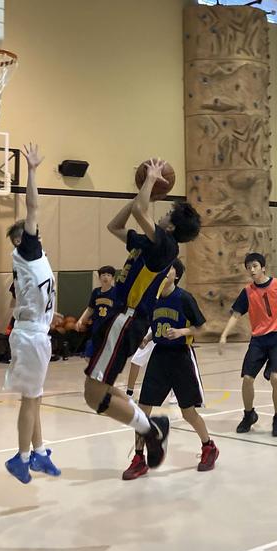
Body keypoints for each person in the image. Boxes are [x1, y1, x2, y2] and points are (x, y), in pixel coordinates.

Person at [82, 158, 201, 472]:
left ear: (172, 226)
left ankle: (152, 429)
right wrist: (142, 195)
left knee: (93, 396)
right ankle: (152, 426)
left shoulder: (165, 246)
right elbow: (116, 226)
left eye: (166, 213)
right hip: (119, 321)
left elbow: (139, 213)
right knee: (100, 391)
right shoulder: (151, 243)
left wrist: (149, 181)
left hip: (127, 320)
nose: (161, 213)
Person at [122, 259, 218, 479]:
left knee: (188, 412)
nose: (164, 272)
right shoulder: (152, 298)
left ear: (176, 275)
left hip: (181, 357)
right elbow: (156, 325)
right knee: (142, 410)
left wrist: (182, 332)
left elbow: (202, 327)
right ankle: (139, 458)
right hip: (159, 357)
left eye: (168, 269)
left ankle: (209, 446)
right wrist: (147, 338)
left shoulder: (184, 298)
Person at [1, 143, 62, 484]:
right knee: (30, 400)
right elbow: (33, 205)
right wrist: (34, 170)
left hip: (37, 333)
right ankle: (22, 458)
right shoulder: (27, 250)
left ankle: (38, 452)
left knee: (35, 397)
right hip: (29, 335)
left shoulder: (35, 257)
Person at [219, 252, 277, 437]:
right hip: (258, 339)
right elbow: (235, 315)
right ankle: (249, 415)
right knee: (247, 379)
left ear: (263, 267)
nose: (252, 269)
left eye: (255, 266)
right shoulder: (247, 292)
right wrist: (224, 335)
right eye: (249, 267)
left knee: (275, 377)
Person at [77, 265, 117, 357]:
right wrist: (81, 320)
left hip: (110, 327)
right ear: (99, 278)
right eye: (103, 275)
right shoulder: (96, 292)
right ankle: (98, 371)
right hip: (97, 326)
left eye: (108, 275)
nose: (105, 277)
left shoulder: (116, 292)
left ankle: (103, 370)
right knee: (88, 356)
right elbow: (90, 308)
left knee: (106, 355)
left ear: (112, 278)